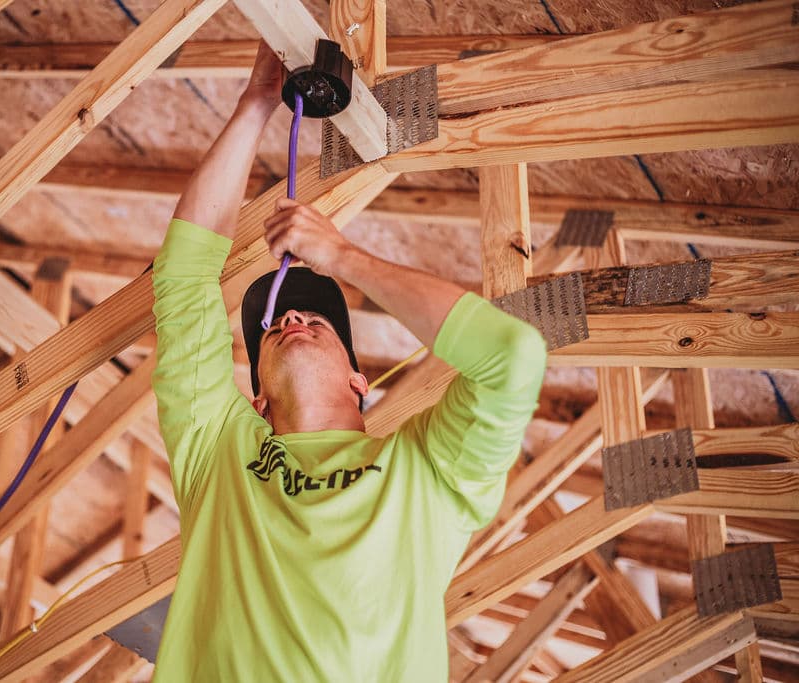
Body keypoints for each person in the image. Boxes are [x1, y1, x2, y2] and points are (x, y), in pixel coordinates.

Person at [150, 43, 547, 682]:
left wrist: (343, 257)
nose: (291, 319)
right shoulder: (219, 450)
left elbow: (513, 355)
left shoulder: (428, 471)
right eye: (277, 325)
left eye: (317, 321)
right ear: (255, 399)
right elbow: (184, 274)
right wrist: (255, 103)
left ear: (361, 381)